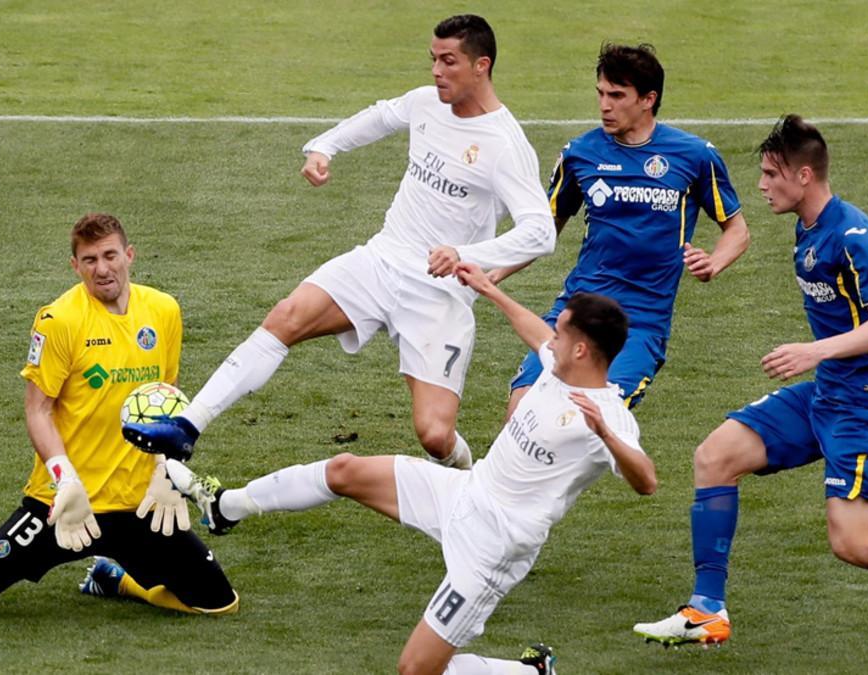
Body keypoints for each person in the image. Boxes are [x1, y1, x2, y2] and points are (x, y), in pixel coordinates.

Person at [631, 116, 868, 668]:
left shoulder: (852, 234)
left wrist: (812, 351)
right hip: (827, 394)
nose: (762, 185)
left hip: (867, 403)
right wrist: (714, 264)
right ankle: (706, 610)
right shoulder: (809, 227)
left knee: (853, 542)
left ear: (805, 175)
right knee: (715, 455)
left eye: (771, 174)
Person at [165, 261, 656, 674]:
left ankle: (525, 671)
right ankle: (226, 507)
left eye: (562, 330)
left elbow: (646, 481)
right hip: (463, 493)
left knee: (416, 670)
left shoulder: (607, 413)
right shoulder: (558, 363)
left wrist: (608, 436)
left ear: (581, 350)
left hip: (495, 545)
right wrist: (487, 288)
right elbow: (536, 331)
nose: (552, 336)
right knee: (345, 470)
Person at [123, 14, 555, 470]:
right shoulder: (426, 103)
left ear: (481, 66)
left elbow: (539, 233)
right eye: (433, 59)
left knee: (434, 435)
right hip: (382, 259)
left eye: (449, 62)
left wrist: (465, 255)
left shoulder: (505, 145)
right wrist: (324, 147)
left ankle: (471, 475)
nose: (436, 71)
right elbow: (381, 115)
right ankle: (187, 426)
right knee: (286, 316)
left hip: (438, 292)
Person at [0, 213, 238, 617]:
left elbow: (164, 401)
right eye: (89, 260)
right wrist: (64, 477)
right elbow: (38, 409)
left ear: (129, 255)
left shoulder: (163, 310)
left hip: (138, 503)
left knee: (218, 605)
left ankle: (116, 578)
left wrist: (164, 471)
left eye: (109, 256)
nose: (102, 269)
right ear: (75, 265)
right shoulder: (60, 320)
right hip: (64, 504)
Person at [494, 43, 749, 416]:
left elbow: (737, 230)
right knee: (522, 410)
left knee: (587, 421)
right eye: (600, 93)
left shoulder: (693, 156)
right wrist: (492, 273)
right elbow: (542, 231)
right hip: (577, 310)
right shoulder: (580, 153)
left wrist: (714, 262)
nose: (604, 105)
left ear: (648, 99)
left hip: (640, 324)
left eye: (616, 95)